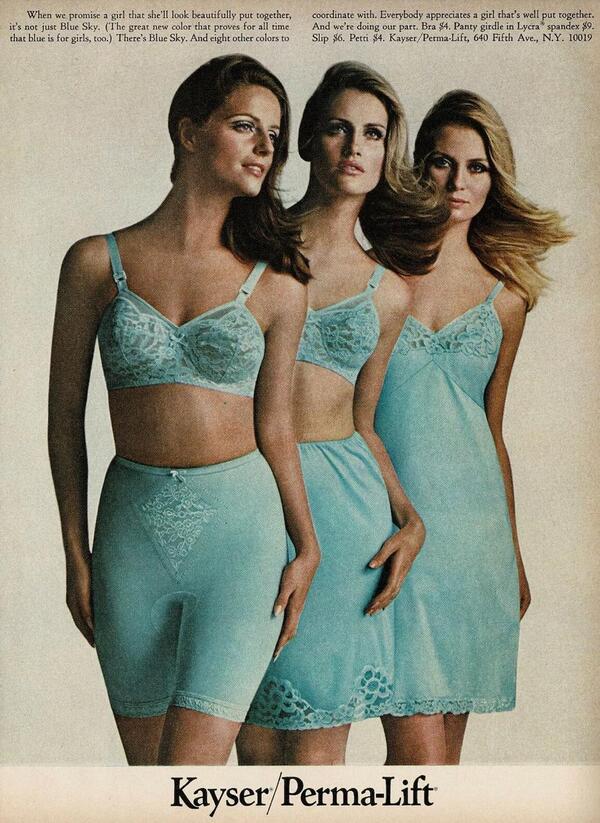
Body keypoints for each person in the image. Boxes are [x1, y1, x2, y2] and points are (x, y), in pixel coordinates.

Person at [48, 54, 320, 766]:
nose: (266, 148)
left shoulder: (279, 284)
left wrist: (307, 545)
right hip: (128, 535)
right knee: (149, 787)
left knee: (187, 777)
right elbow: (64, 421)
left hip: (242, 538)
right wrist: (74, 552)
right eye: (246, 126)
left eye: (275, 135)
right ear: (190, 131)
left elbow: (276, 428)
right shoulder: (94, 264)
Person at [237, 62, 447, 766]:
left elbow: (363, 422)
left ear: (387, 154)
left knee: (316, 758)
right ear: (306, 140)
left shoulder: (389, 292)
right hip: (247, 491)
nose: (355, 146)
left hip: (347, 514)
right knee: (247, 744)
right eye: (337, 128)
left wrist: (408, 514)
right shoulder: (246, 246)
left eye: (374, 134)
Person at [370, 90, 572, 764]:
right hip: (394, 528)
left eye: (477, 167)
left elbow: (492, 430)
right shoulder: (374, 273)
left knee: (444, 769)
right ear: (417, 169)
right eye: (442, 162)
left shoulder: (506, 297)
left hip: (473, 540)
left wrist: (512, 552)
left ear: (494, 178)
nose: (459, 181)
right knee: (418, 760)